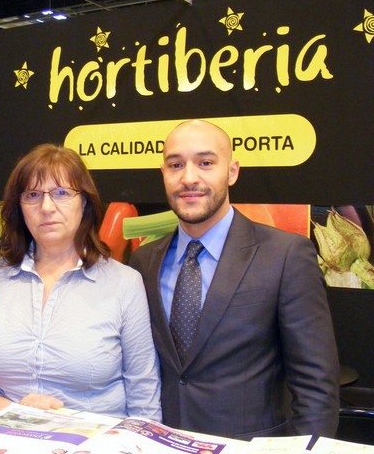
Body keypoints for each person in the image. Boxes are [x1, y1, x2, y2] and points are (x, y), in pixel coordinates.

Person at [129, 119, 340, 440]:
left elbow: (316, 384)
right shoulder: (144, 262)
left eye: (205, 163)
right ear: (163, 173)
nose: (189, 178)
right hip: (165, 443)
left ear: (232, 172)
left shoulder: (285, 255)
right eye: (175, 165)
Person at [0, 144, 161, 423]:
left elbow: (144, 395)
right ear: (19, 207)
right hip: (7, 436)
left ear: (84, 203)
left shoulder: (124, 284)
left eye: (61, 193)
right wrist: (13, 412)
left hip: (98, 440)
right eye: (33, 195)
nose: (47, 207)